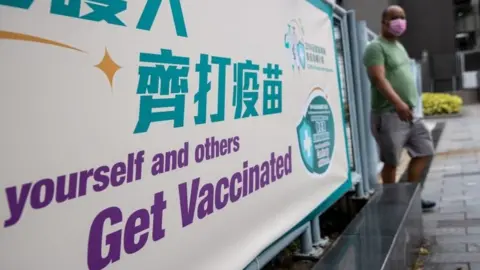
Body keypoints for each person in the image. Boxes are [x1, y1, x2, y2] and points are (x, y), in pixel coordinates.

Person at [363, 5, 436, 210]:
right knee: (391, 162)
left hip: (411, 113)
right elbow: (378, 78)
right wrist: (398, 103)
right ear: (384, 22)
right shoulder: (375, 47)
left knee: (423, 152)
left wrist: (408, 105)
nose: (400, 21)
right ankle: (392, 202)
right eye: (395, 17)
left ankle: (412, 196)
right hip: (389, 114)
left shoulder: (399, 46)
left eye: (403, 17)